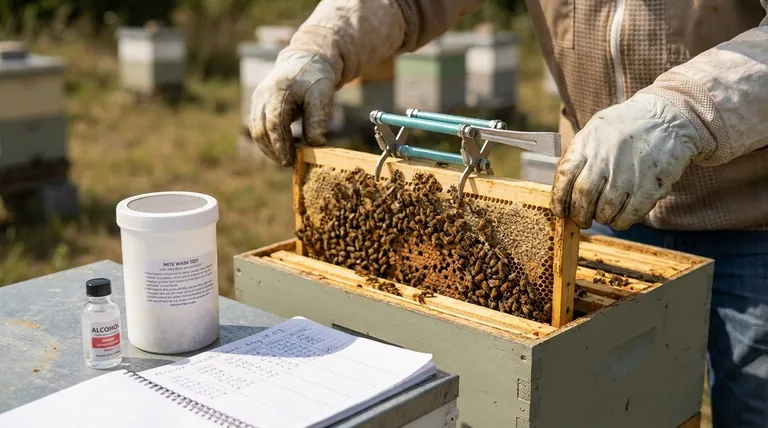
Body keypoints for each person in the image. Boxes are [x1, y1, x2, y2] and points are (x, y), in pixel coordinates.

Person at [247, 1, 768, 426]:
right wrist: (320, 45)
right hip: (600, 207)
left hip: (752, 216)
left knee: (755, 407)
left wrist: (685, 111)